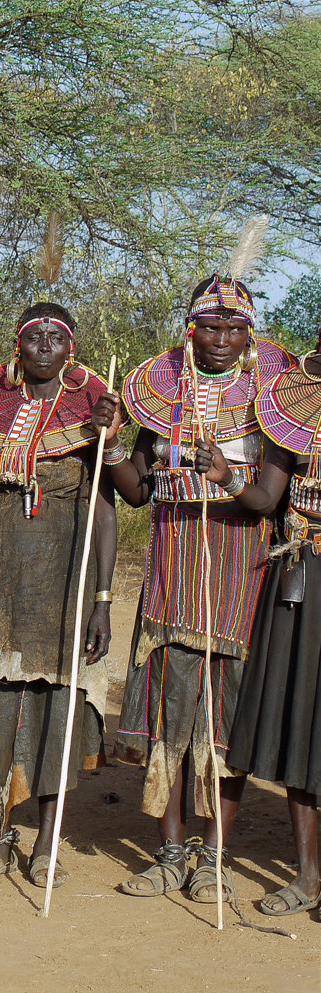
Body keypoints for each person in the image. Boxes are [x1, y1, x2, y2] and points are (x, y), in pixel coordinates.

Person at [94, 272, 293, 902]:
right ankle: (170, 849)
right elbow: (136, 491)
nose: (222, 339)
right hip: (172, 567)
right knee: (168, 711)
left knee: (225, 716)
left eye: (235, 328)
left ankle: (216, 855)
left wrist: (223, 473)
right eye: (211, 327)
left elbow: (267, 499)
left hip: (241, 568)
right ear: (191, 328)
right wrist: (112, 444)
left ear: (249, 332)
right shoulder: (159, 393)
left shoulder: (272, 399)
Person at [0, 303, 116, 888]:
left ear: (71, 349)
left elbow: (107, 512)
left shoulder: (93, 412)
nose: (45, 346)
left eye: (56, 338)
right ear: (17, 347)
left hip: (66, 572)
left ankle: (46, 842)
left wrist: (103, 599)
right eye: (33, 337)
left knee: (58, 702)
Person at [214, 339, 321, 917]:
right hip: (301, 575)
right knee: (300, 719)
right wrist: (228, 478)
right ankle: (307, 878)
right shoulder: (293, 406)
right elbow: (266, 497)